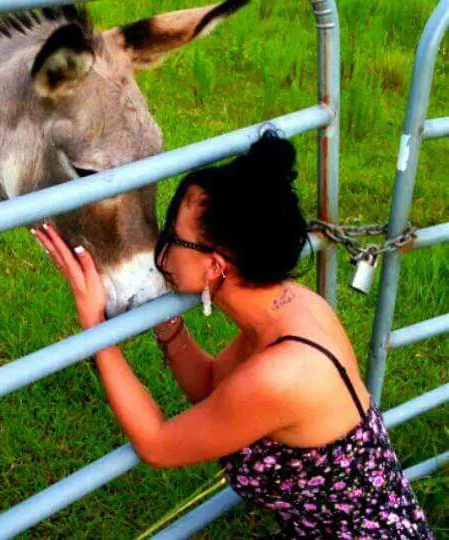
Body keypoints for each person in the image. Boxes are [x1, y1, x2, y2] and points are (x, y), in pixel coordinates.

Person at [32, 132, 433, 539]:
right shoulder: (292, 309)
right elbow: (210, 386)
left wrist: (96, 330)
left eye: (173, 234)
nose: (161, 246)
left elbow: (156, 444)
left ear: (214, 267)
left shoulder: (280, 375)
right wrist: (164, 319)